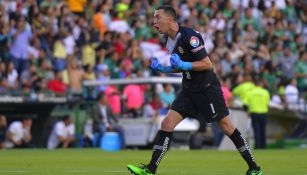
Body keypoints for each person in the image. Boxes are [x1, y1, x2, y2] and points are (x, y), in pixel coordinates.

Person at [127, 5, 262, 175]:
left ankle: (254, 168)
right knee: (167, 123)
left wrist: (184, 64)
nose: (154, 22)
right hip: (188, 89)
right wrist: (166, 69)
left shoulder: (189, 36)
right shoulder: (169, 39)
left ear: (170, 19)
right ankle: (150, 169)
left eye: (157, 17)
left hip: (207, 89)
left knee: (227, 127)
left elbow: (207, 64)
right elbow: (181, 67)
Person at [243, 78, 270, 149]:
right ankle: (263, 146)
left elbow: (244, 104)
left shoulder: (250, 92)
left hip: (254, 113)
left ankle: (258, 146)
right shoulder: (265, 92)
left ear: (255, 85)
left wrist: (247, 111)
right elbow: (267, 103)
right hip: (263, 112)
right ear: (261, 84)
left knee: (256, 130)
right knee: (263, 130)